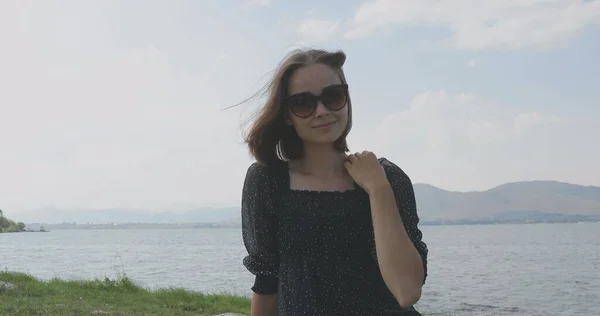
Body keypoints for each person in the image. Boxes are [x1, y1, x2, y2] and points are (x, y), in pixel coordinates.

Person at [240, 48, 428, 316]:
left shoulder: (386, 179)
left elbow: (406, 290)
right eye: (303, 103)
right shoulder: (268, 182)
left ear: (346, 98)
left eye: (333, 96)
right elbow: (267, 281)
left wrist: (378, 190)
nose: (321, 111)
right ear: (287, 114)